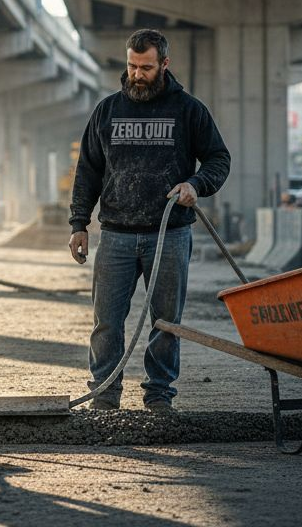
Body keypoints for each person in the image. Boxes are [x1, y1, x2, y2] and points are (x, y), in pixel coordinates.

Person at [68, 28, 230, 411]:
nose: (137, 75)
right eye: (131, 66)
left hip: (169, 235)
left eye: (146, 67)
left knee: (166, 322)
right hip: (116, 235)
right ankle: (105, 396)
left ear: (164, 65)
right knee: (106, 322)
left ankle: (159, 397)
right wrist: (78, 224)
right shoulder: (107, 111)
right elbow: (87, 171)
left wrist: (196, 183)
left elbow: (218, 159)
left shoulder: (189, 110)